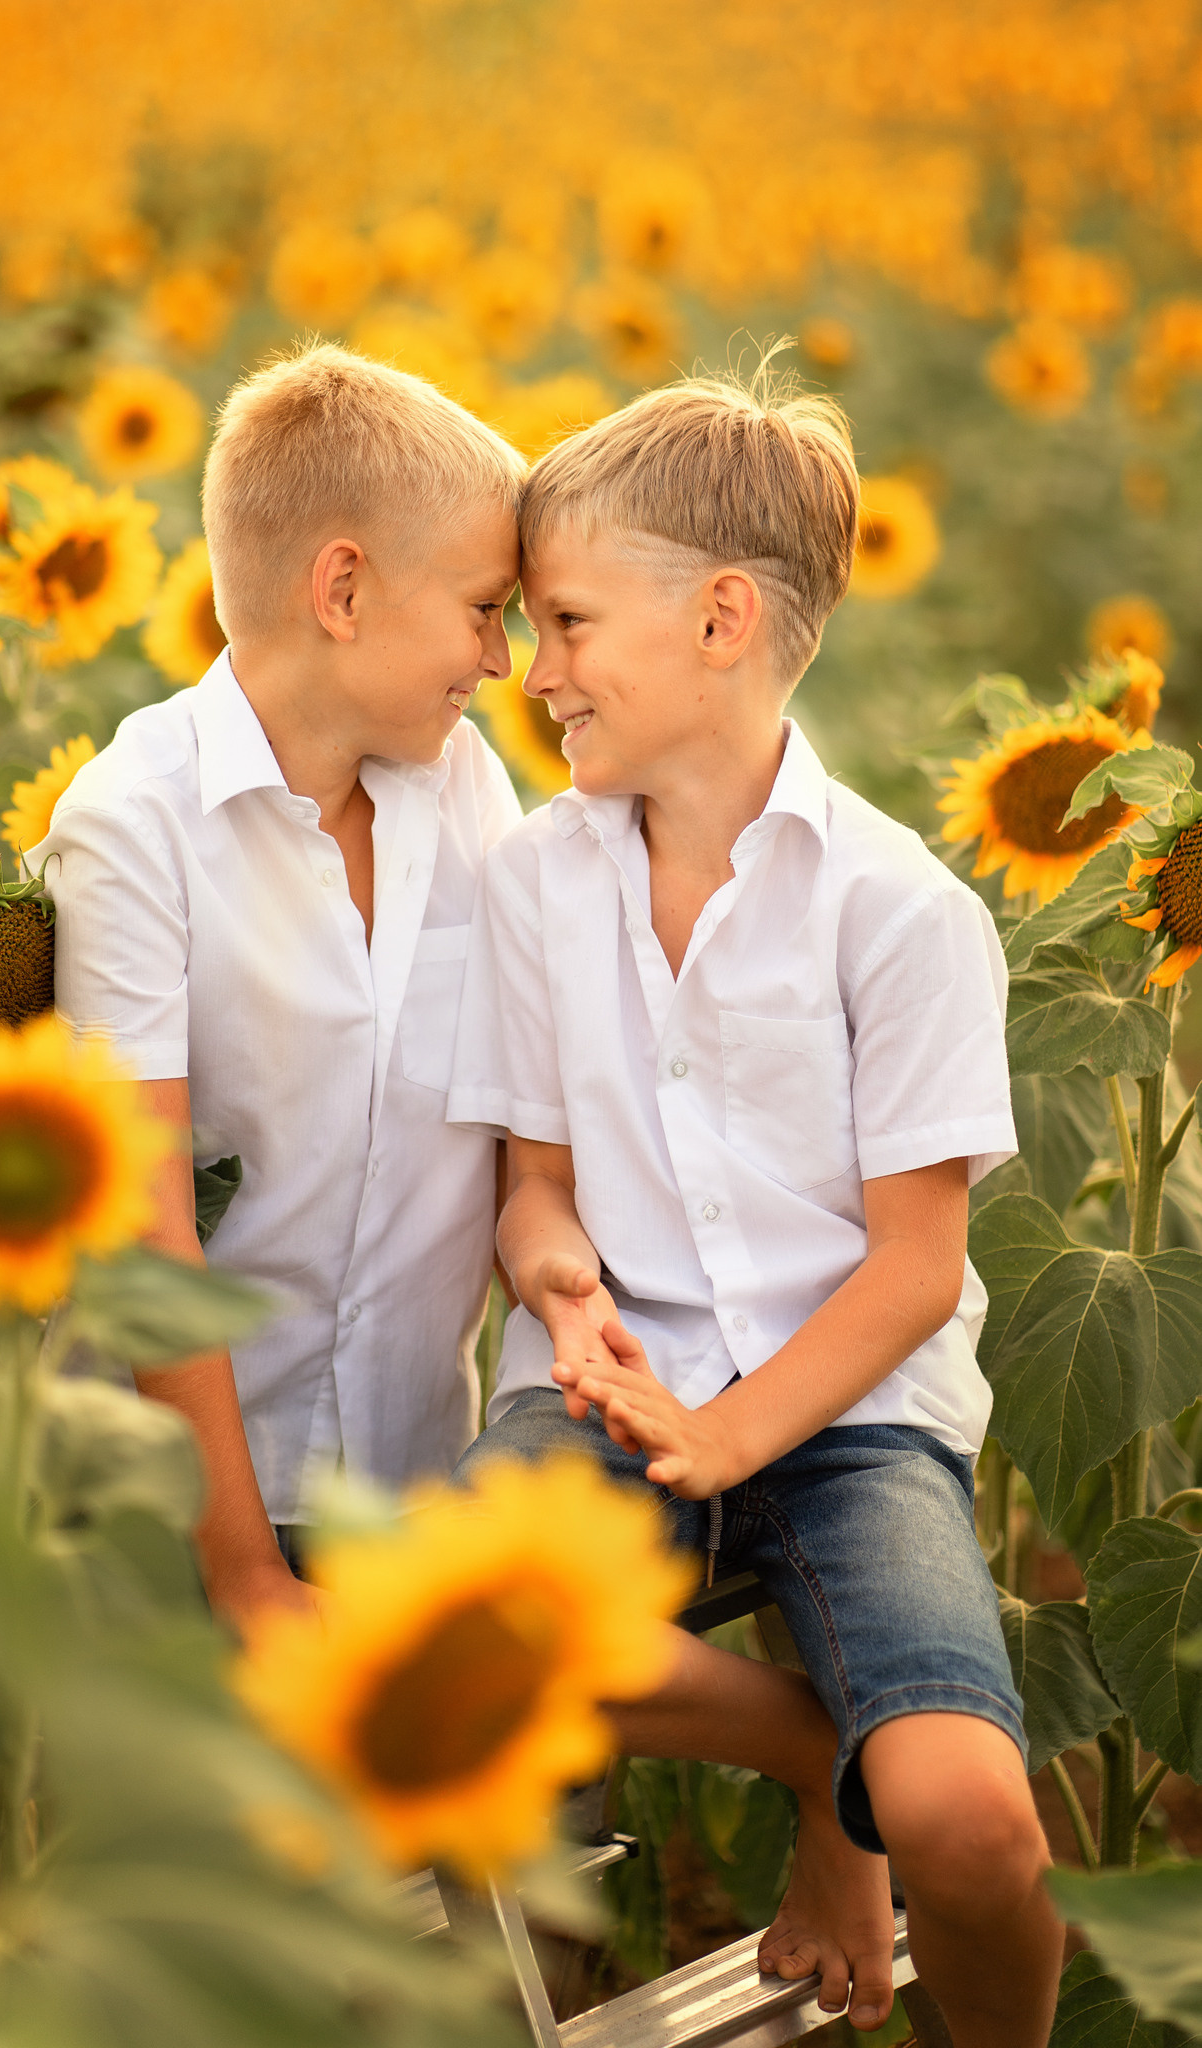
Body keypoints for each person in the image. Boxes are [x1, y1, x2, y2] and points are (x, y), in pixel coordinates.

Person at [447, 367, 1059, 2047]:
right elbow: (538, 1194)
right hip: (604, 1385)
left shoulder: (901, 911)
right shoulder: (533, 878)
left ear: (721, 618)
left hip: (853, 1409)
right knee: (475, 1637)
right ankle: (810, 1745)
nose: (537, 667)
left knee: (975, 1823)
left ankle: (889, 1830)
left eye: (567, 618)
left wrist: (722, 1441)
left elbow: (917, 1269)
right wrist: (565, 1294)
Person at [36, 342, 524, 1622]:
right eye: (483, 606)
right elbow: (141, 1223)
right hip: (176, 1509)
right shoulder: (136, 824)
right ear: (344, 589)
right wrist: (245, 1573)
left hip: (414, 1484)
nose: (503, 658)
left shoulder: (469, 789)